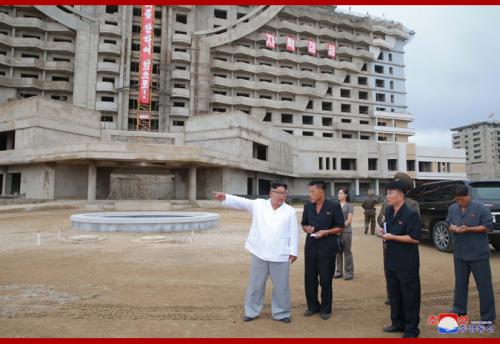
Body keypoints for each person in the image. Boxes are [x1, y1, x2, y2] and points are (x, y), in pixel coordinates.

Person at [212, 181, 299, 323]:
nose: (281, 196)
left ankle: (281, 313)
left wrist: (293, 251)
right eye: (279, 193)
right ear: (271, 193)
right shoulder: (259, 204)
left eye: (284, 193)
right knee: (256, 284)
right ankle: (251, 311)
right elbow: (242, 202)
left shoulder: (289, 211)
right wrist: (225, 197)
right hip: (259, 252)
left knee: (281, 287)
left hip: (280, 254)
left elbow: (293, 232)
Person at [445, 184, 496, 322]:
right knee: (460, 284)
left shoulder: (481, 208)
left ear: (468, 196)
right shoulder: (452, 208)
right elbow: (448, 223)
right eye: (457, 199)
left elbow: (487, 227)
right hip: (460, 253)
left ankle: (487, 317)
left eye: (462, 199)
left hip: (478, 254)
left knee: (484, 286)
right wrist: (453, 227)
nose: (459, 202)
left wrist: (469, 229)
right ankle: (459, 310)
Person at [378, 179, 422, 338]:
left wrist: (393, 236)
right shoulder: (389, 211)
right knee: (394, 294)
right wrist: (382, 232)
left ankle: (411, 329)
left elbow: (415, 238)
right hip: (391, 259)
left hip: (407, 262)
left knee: (409, 296)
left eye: (391, 193)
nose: (387, 196)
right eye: (387, 193)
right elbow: (385, 229)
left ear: (401, 195)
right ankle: (397, 323)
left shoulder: (411, 214)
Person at [301, 180, 345, 320]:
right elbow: (304, 224)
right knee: (310, 279)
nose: (310, 194)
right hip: (311, 248)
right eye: (310, 191)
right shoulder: (308, 206)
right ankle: (312, 306)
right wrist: (307, 228)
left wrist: (326, 232)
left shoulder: (333, 206)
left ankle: (326, 309)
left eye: (312, 191)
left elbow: (340, 226)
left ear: (322, 191)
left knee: (325, 280)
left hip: (327, 248)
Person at [334, 187, 354, 280]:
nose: (339, 195)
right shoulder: (335, 205)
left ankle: (349, 272)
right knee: (338, 252)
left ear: (346, 195)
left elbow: (349, 220)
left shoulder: (349, 205)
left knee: (347, 251)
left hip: (346, 231)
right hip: (336, 232)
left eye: (341, 193)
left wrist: (340, 228)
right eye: (338, 193)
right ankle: (339, 271)